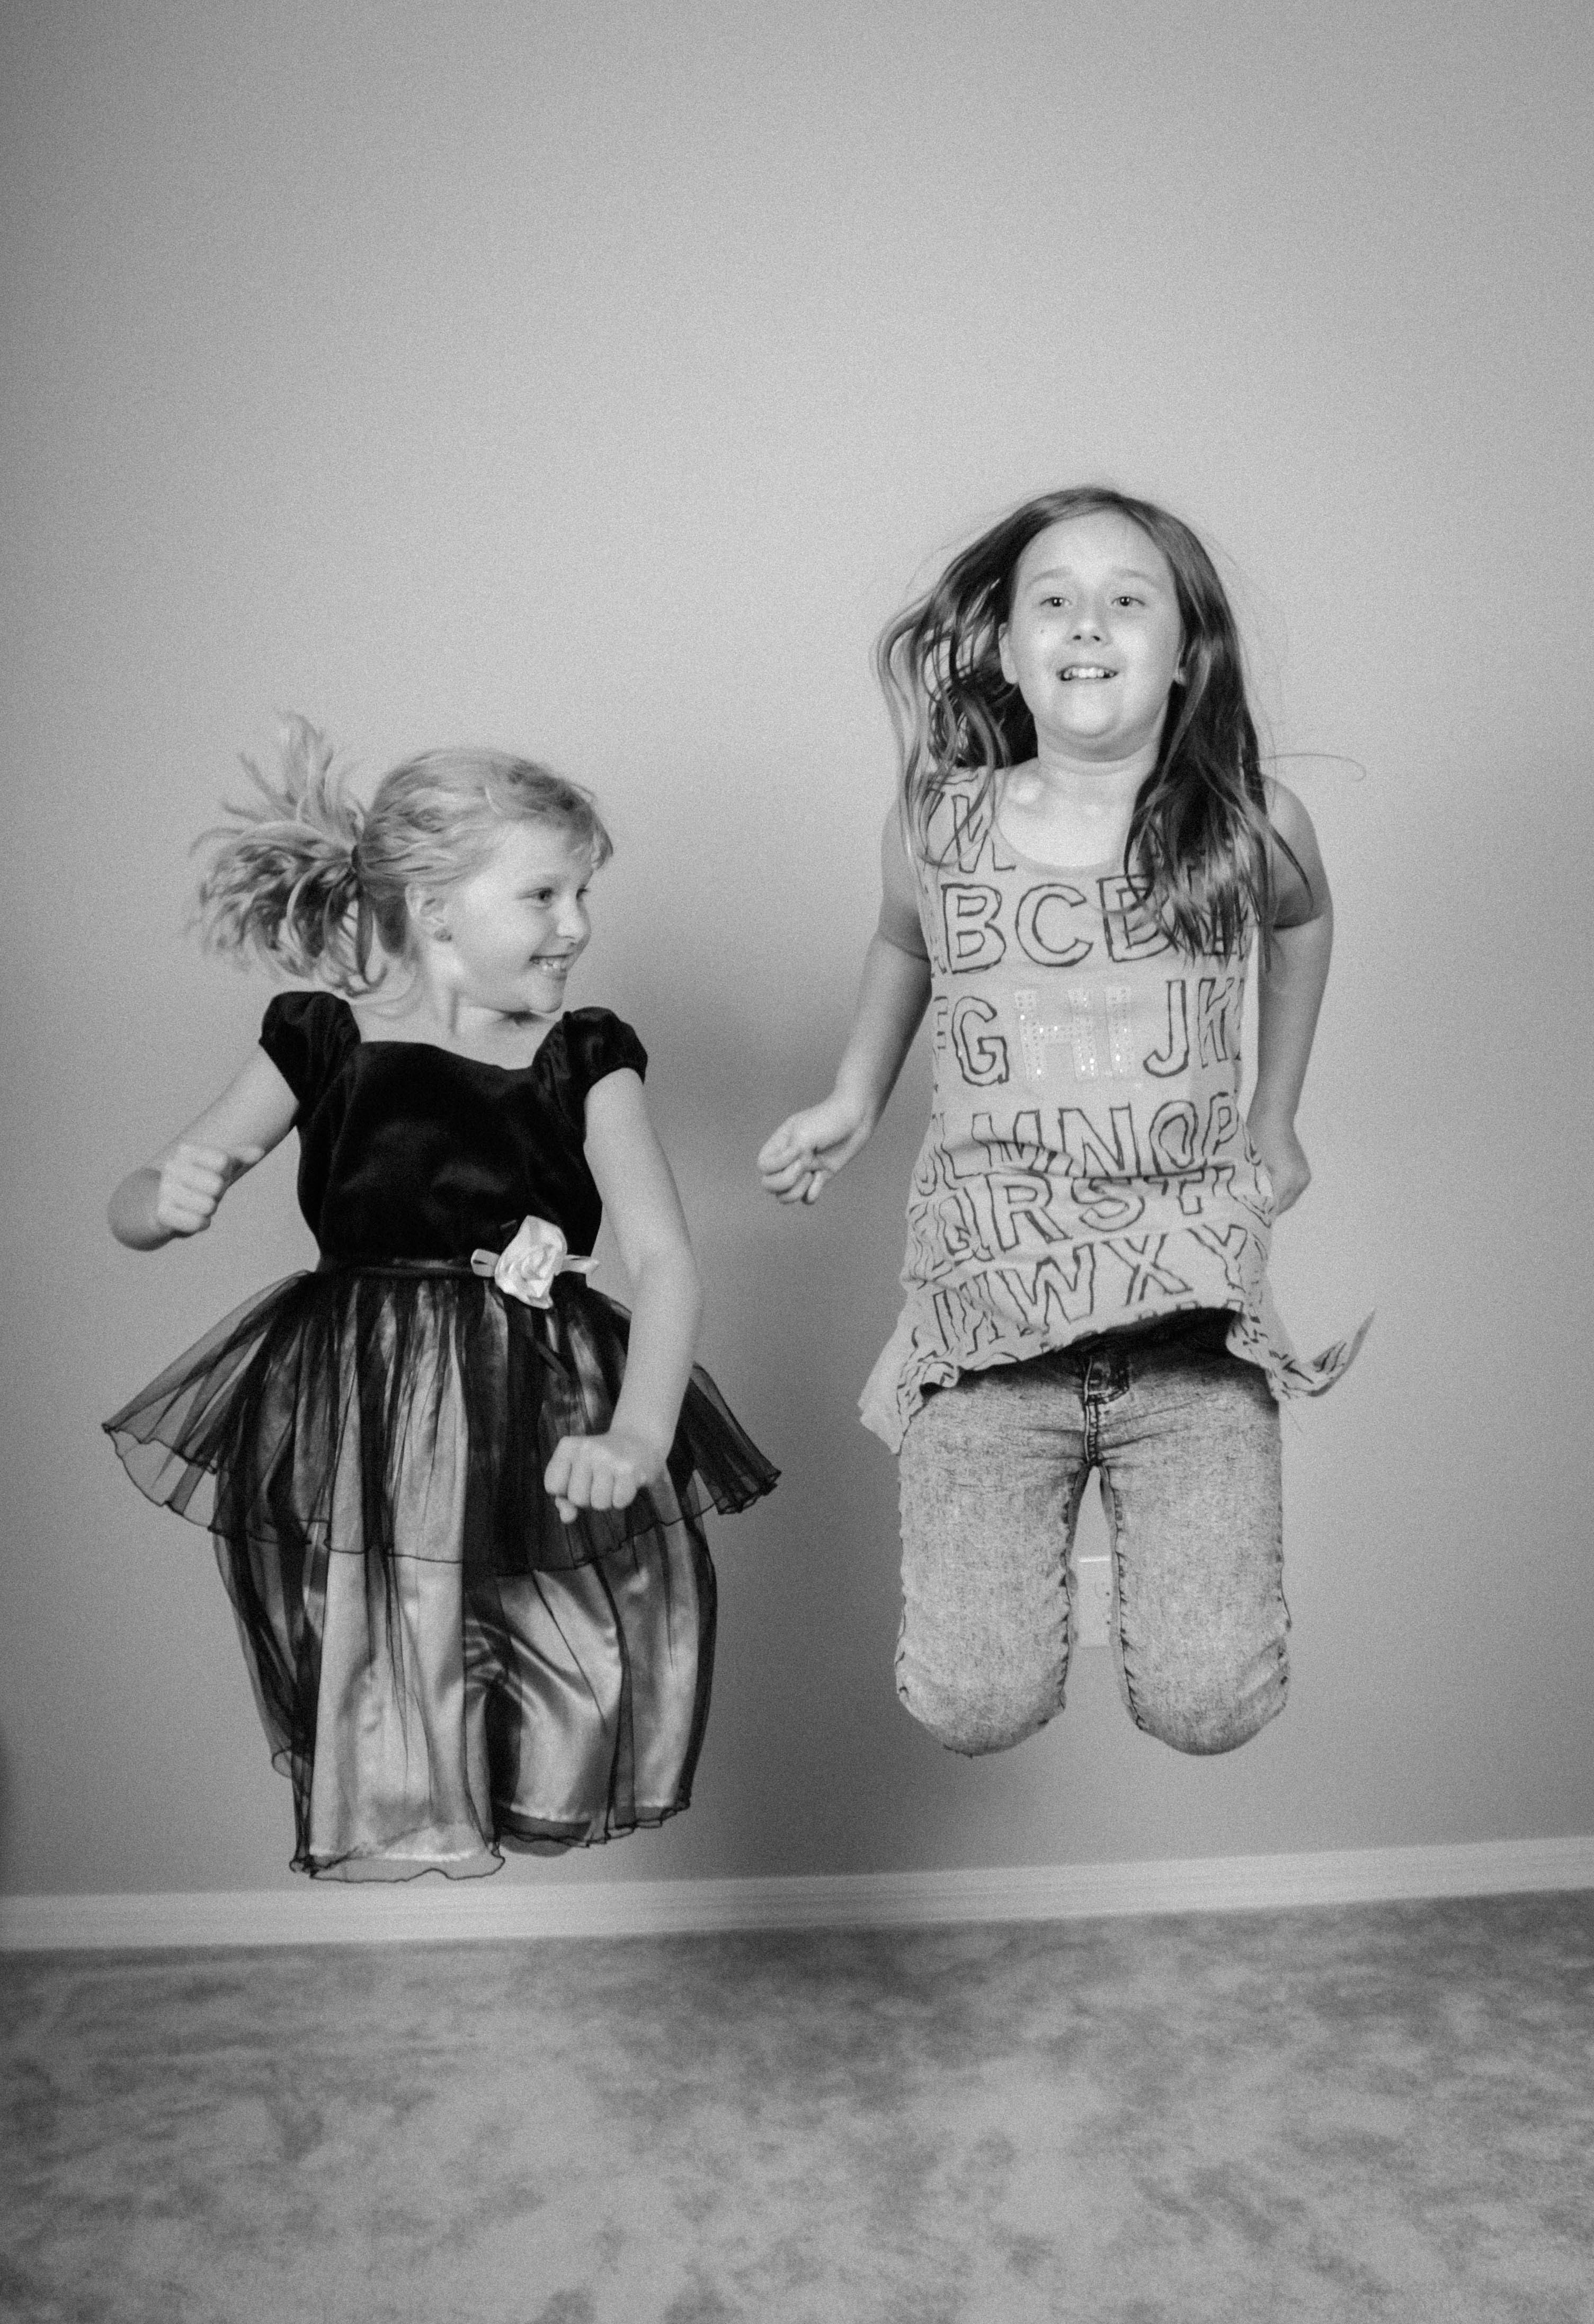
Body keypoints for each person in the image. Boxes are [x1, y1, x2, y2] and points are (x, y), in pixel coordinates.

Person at [105, 719, 776, 1878]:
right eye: (544, 895)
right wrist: (163, 1200)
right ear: (433, 909)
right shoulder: (321, 1041)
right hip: (367, 1404)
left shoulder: (584, 1057)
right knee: (390, 1633)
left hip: (536, 1400)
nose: (577, 925)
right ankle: (418, 1802)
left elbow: (665, 1262)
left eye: (582, 894)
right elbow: (137, 1200)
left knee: (570, 1631)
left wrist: (638, 1433)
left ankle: (520, 1789)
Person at [759, 487, 1365, 1759]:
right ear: (1008, 644)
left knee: (1211, 1704)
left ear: (1185, 651)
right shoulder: (937, 824)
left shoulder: (1244, 823)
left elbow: (1302, 922)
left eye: (1126, 600)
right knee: (971, 1704)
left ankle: (1167, 1593)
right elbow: (901, 942)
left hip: (1187, 1326)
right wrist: (854, 1095)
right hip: (985, 1325)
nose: (1087, 622)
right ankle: (1026, 1599)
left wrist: (1275, 1113)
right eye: (1054, 599)